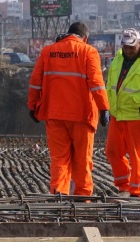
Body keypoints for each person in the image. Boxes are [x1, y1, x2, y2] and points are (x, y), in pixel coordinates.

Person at [27, 22, 110, 196]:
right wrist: (104, 109)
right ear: (85, 38)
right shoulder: (89, 51)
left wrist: (33, 106)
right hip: (82, 116)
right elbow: (96, 84)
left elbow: (35, 82)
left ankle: (59, 194)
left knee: (59, 159)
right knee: (82, 160)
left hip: (54, 115)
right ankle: (82, 197)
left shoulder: (48, 51)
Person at [105, 29, 140, 198]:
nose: (128, 50)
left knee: (138, 156)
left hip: (138, 117)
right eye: (125, 46)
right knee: (112, 151)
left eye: (132, 46)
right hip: (118, 115)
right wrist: (107, 109)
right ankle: (124, 186)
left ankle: (138, 192)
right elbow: (110, 86)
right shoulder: (118, 59)